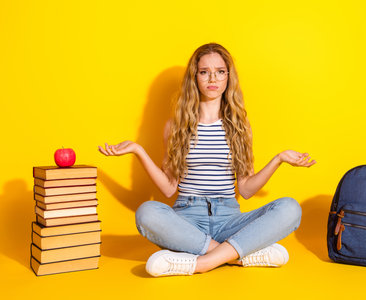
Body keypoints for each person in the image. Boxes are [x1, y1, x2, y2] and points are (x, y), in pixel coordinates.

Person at [98, 43, 316, 277]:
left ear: (228, 77)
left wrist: (278, 159)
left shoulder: (240, 127)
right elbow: (168, 188)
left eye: (220, 71)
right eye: (204, 72)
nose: (213, 78)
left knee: (290, 208)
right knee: (146, 212)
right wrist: (138, 151)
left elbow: (246, 189)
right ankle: (235, 256)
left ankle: (200, 263)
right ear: (195, 77)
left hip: (228, 219)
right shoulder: (175, 127)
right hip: (187, 220)